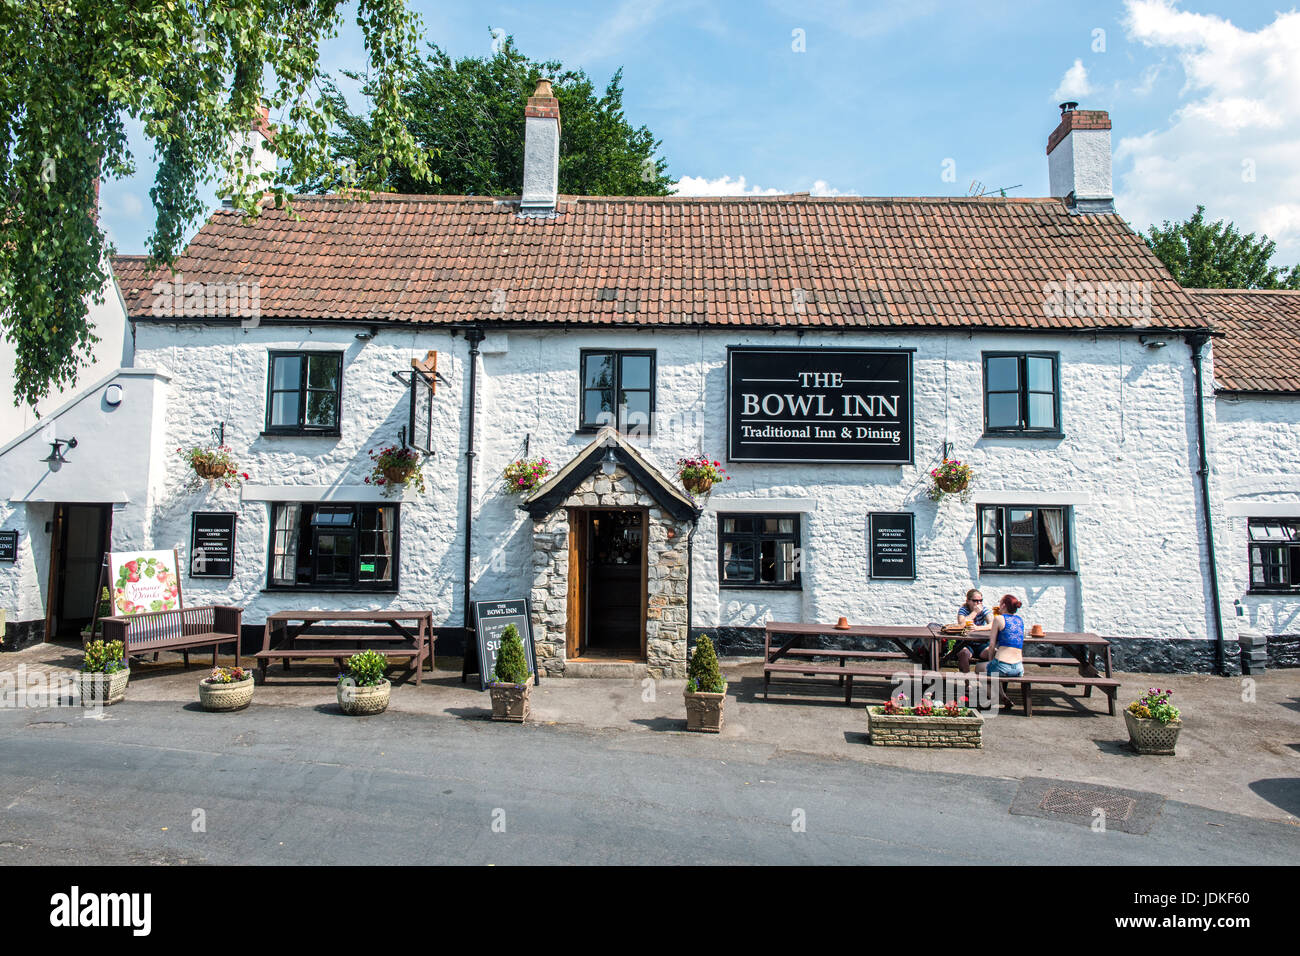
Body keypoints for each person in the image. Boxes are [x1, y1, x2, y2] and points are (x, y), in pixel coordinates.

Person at [979, 594, 1026, 708]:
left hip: (1003, 666)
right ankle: (1003, 695)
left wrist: (990, 661)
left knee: (980, 669)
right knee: (994, 670)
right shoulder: (1020, 620)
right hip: (1019, 668)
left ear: (1003, 605)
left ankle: (995, 698)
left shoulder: (999, 618)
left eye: (1000, 602)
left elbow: (991, 644)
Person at [955, 589, 992, 673]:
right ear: (968, 601)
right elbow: (961, 623)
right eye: (975, 601)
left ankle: (991, 681)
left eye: (980, 600)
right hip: (965, 642)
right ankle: (967, 682)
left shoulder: (984, 609)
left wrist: (978, 628)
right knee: (963, 653)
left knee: (993, 652)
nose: (978, 603)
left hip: (980, 643)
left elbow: (992, 624)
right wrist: (975, 612)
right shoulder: (964, 610)